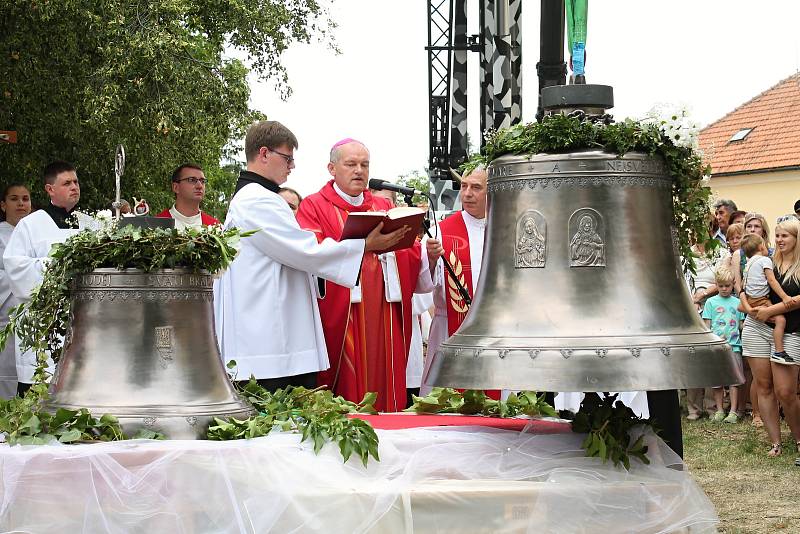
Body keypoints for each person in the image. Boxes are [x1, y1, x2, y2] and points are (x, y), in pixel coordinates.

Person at [214, 121, 407, 393]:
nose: (292, 166)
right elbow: (305, 250)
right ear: (264, 154)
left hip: (269, 333)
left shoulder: (257, 197)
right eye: (287, 158)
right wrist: (364, 245)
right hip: (269, 340)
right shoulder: (256, 201)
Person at [295, 138, 429, 412]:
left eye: (364, 165)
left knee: (386, 379)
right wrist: (365, 246)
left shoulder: (383, 207)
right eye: (351, 164)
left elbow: (409, 252)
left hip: (384, 311)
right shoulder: (314, 206)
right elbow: (311, 254)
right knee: (348, 384)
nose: (359, 171)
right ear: (332, 168)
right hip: (344, 312)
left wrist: (428, 255)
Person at [419, 167, 505, 399]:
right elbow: (421, 285)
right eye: (464, 186)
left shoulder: (506, 230)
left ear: (493, 191)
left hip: (497, 332)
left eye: (476, 187)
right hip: (450, 329)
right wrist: (432, 259)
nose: (466, 193)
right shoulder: (440, 231)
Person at [3, 162, 82, 395]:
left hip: (80, 321)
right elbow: (16, 268)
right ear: (50, 189)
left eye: (76, 182)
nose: (74, 187)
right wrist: (57, 266)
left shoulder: (90, 223)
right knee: (41, 383)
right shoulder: (31, 224)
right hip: (43, 324)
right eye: (66, 183)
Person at [747, 219, 800, 460]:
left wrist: (770, 311)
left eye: (785, 236)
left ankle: (799, 438)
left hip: (790, 331)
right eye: (777, 235)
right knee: (764, 387)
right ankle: (776, 442)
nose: (779, 240)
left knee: (786, 391)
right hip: (757, 328)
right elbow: (747, 289)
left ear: (797, 238)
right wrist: (749, 307)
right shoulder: (767, 261)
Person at [0, 184, 32, 398]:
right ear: (3, 205)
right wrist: (22, 276)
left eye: (25, 198)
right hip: (7, 313)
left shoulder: (34, 233)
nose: (21, 203)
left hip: (33, 314)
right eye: (14, 199)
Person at [739, 234, 791, 362]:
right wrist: (785, 297)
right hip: (761, 299)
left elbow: (742, 285)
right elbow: (772, 281)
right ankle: (779, 351)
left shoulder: (748, 263)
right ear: (761, 246)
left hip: (750, 299)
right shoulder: (765, 260)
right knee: (780, 320)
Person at [702, 267, 745, 423]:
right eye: (721, 286)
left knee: (734, 380)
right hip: (716, 349)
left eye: (727, 285)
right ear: (716, 284)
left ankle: (733, 412)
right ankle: (719, 410)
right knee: (717, 381)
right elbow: (707, 327)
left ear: (733, 284)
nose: (724, 289)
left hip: (734, 346)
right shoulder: (710, 302)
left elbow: (741, 325)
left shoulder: (738, 303)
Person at [156, 164, 220, 229]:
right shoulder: (155, 225)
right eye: (191, 180)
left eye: (202, 181)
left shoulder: (215, 227)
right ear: (176, 187)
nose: (199, 186)